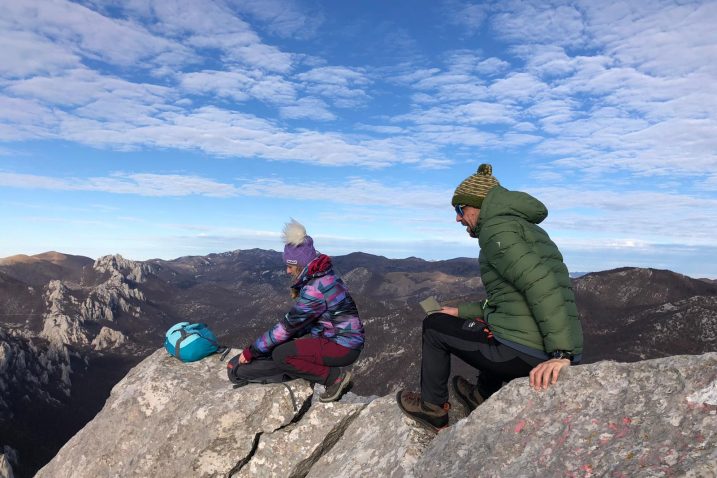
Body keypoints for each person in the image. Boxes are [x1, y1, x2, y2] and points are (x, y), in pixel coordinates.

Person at [396, 163, 583, 431]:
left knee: (433, 327)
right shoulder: (519, 226)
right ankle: (480, 395)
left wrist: (561, 353)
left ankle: (433, 408)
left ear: (477, 206)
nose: (458, 219)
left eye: (460, 210)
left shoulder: (497, 232)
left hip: (530, 354)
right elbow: (507, 301)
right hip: (538, 345)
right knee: (489, 325)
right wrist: (459, 312)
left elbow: (541, 286)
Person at [228, 219, 364, 402]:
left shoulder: (316, 288)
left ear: (300, 265)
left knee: (281, 355)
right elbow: (303, 324)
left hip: (342, 346)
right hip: (342, 341)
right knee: (283, 347)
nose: (287, 271)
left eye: (290, 266)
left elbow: (287, 327)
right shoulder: (324, 278)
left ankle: (334, 378)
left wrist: (252, 351)